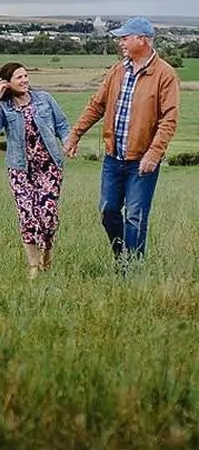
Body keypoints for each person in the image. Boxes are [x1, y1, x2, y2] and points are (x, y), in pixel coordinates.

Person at [63, 16, 179, 267]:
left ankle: (131, 270)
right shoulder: (118, 70)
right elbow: (97, 105)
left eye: (125, 38)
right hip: (113, 157)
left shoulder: (165, 75)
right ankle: (122, 257)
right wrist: (75, 134)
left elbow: (169, 119)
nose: (120, 43)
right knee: (108, 211)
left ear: (142, 40)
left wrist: (154, 153)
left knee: (136, 217)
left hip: (142, 161)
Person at [0, 62, 70, 278]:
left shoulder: (44, 99)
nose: (24, 80)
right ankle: (33, 266)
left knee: (47, 217)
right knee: (28, 216)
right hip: (20, 169)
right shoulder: (5, 107)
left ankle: (47, 254)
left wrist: (68, 143)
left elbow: (61, 124)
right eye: (18, 77)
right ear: (6, 83)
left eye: (25, 76)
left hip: (49, 167)